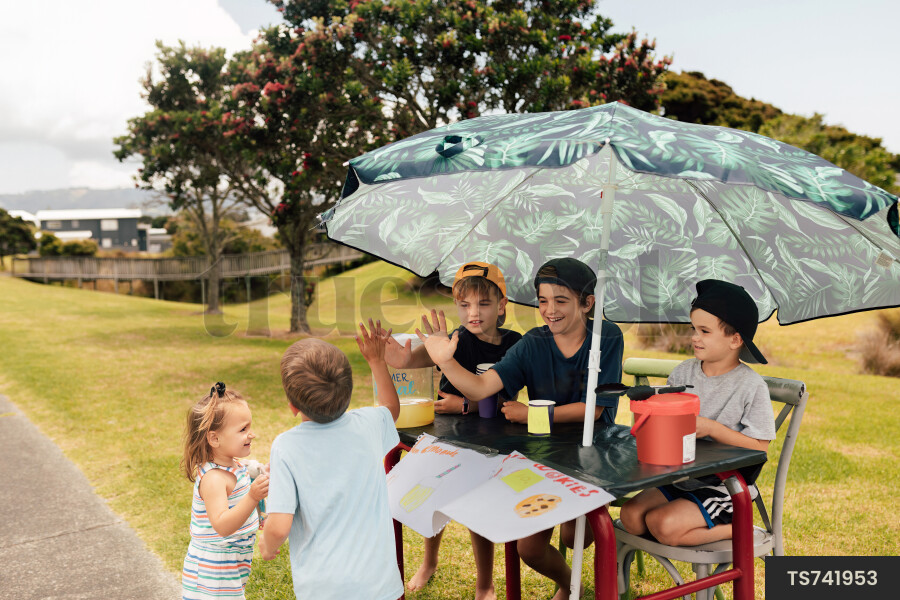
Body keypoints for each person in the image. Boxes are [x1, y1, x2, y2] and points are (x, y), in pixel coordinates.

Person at [418, 257, 624, 600]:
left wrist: (534, 416)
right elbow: (481, 388)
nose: (550, 310)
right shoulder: (531, 343)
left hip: (593, 453)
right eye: (543, 301)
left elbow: (595, 409)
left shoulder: (608, 336)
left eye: (561, 301)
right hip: (547, 455)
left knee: (576, 538)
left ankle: (588, 534)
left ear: (588, 303)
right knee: (528, 549)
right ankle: (570, 584)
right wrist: (446, 361)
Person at [381, 261, 522, 598]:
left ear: (502, 305)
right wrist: (398, 359)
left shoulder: (515, 344)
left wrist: (467, 405)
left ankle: (485, 583)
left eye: (484, 304)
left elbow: (506, 401)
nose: (473, 313)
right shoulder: (456, 339)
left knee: (478, 507)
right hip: (447, 436)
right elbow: (413, 359)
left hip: (493, 440)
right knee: (434, 494)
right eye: (464, 304)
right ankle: (429, 561)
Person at [619, 279, 777, 547]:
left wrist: (712, 429)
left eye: (705, 331)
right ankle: (670, 531)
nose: (694, 337)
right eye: (694, 328)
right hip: (680, 476)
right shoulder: (683, 373)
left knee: (662, 524)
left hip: (725, 486)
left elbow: (760, 447)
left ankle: (739, 529)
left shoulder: (750, 386)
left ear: (735, 339)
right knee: (631, 516)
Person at [257, 321, 403, 600]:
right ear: (348, 393)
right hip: (379, 584)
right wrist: (377, 361)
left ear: (293, 407)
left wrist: (267, 545)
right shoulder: (369, 424)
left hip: (323, 590)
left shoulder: (286, 447)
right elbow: (391, 408)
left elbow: (278, 526)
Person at [180, 382, 270, 600]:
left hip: (231, 561)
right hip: (214, 567)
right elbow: (222, 525)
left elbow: (249, 476)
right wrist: (252, 497)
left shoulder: (235, 465)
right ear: (214, 438)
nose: (252, 434)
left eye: (249, 427)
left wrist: (263, 475)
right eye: (243, 429)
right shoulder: (214, 479)